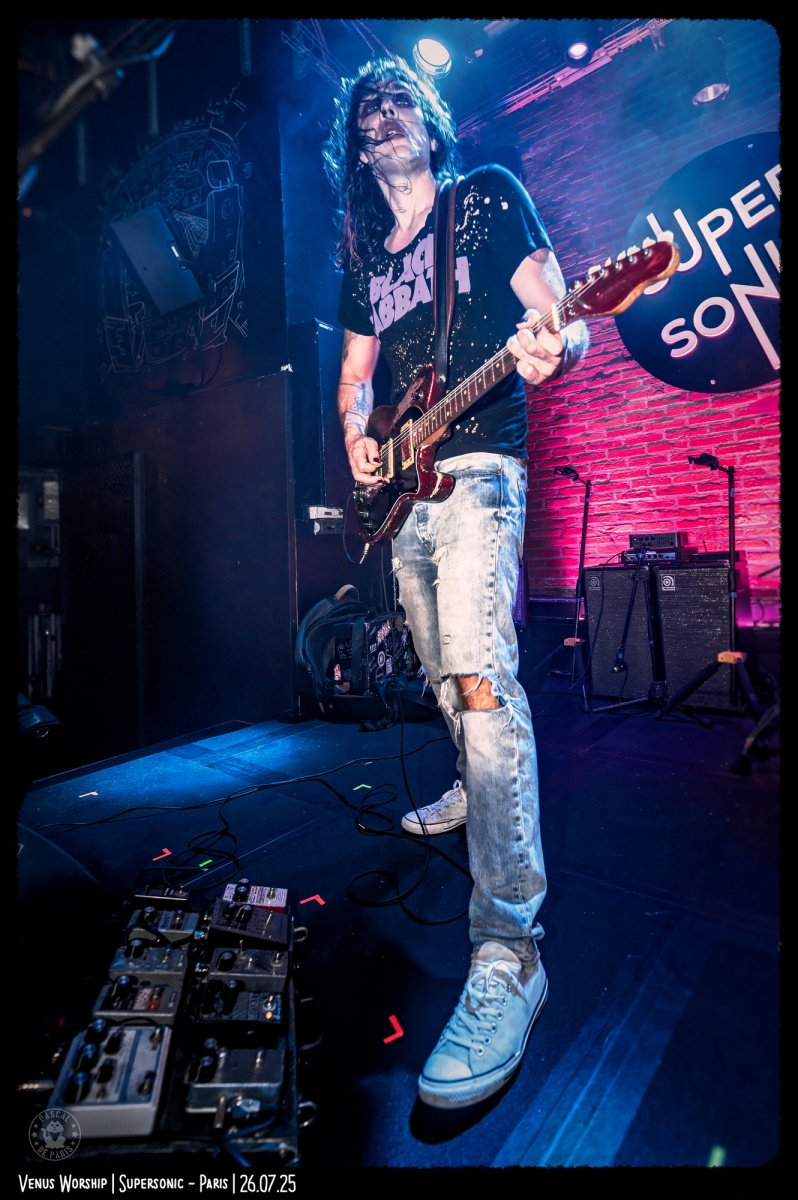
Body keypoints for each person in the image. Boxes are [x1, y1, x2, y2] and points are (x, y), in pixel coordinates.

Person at [323, 57, 588, 1110]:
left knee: (482, 681)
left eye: (400, 101)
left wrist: (557, 346)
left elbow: (561, 315)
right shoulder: (362, 262)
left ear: (429, 127)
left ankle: (510, 950)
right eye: (368, 108)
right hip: (407, 486)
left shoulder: (483, 199)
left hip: (479, 471)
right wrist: (359, 437)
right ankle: (470, 786)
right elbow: (356, 377)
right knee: (441, 676)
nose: (384, 115)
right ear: (357, 148)